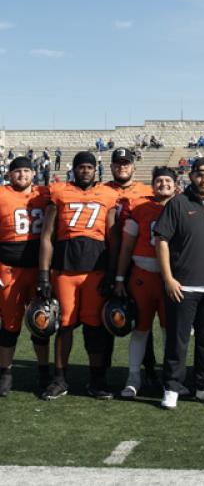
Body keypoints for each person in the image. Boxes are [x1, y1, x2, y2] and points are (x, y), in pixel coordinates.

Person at [38, 152, 119, 400]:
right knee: (64, 325)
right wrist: (43, 274)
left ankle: (96, 380)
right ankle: (60, 378)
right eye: (81, 167)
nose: (85, 171)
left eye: (89, 167)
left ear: (96, 170)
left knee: (94, 327)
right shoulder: (60, 192)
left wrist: (114, 273)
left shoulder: (108, 194)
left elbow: (113, 238)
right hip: (65, 270)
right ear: (73, 170)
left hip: (96, 270)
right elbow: (47, 236)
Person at [155, 157, 204, 409]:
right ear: (191, 176)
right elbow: (161, 240)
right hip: (183, 287)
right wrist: (168, 278)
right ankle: (172, 386)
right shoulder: (177, 203)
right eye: (199, 174)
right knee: (177, 342)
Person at [115, 167, 177, 398]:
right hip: (142, 275)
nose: (163, 184)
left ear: (176, 184)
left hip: (170, 279)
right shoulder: (139, 207)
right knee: (140, 330)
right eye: (159, 180)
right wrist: (120, 278)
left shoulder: (182, 206)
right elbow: (127, 246)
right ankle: (133, 378)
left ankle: (170, 378)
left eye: (167, 181)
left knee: (169, 331)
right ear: (152, 185)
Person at [104, 148, 157, 383]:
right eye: (117, 163)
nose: (121, 167)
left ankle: (149, 367)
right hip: (106, 258)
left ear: (134, 166)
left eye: (126, 163)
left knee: (143, 318)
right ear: (111, 166)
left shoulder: (147, 191)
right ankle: (102, 370)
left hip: (136, 261)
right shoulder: (101, 190)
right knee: (105, 315)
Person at [0, 157, 51, 397]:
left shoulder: (45, 194)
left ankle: (44, 372)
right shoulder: (2, 195)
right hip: (9, 269)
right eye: (17, 171)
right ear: (10, 175)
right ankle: (6, 373)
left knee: (41, 324)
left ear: (34, 173)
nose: (22, 175)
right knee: (10, 325)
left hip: (39, 270)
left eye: (26, 171)